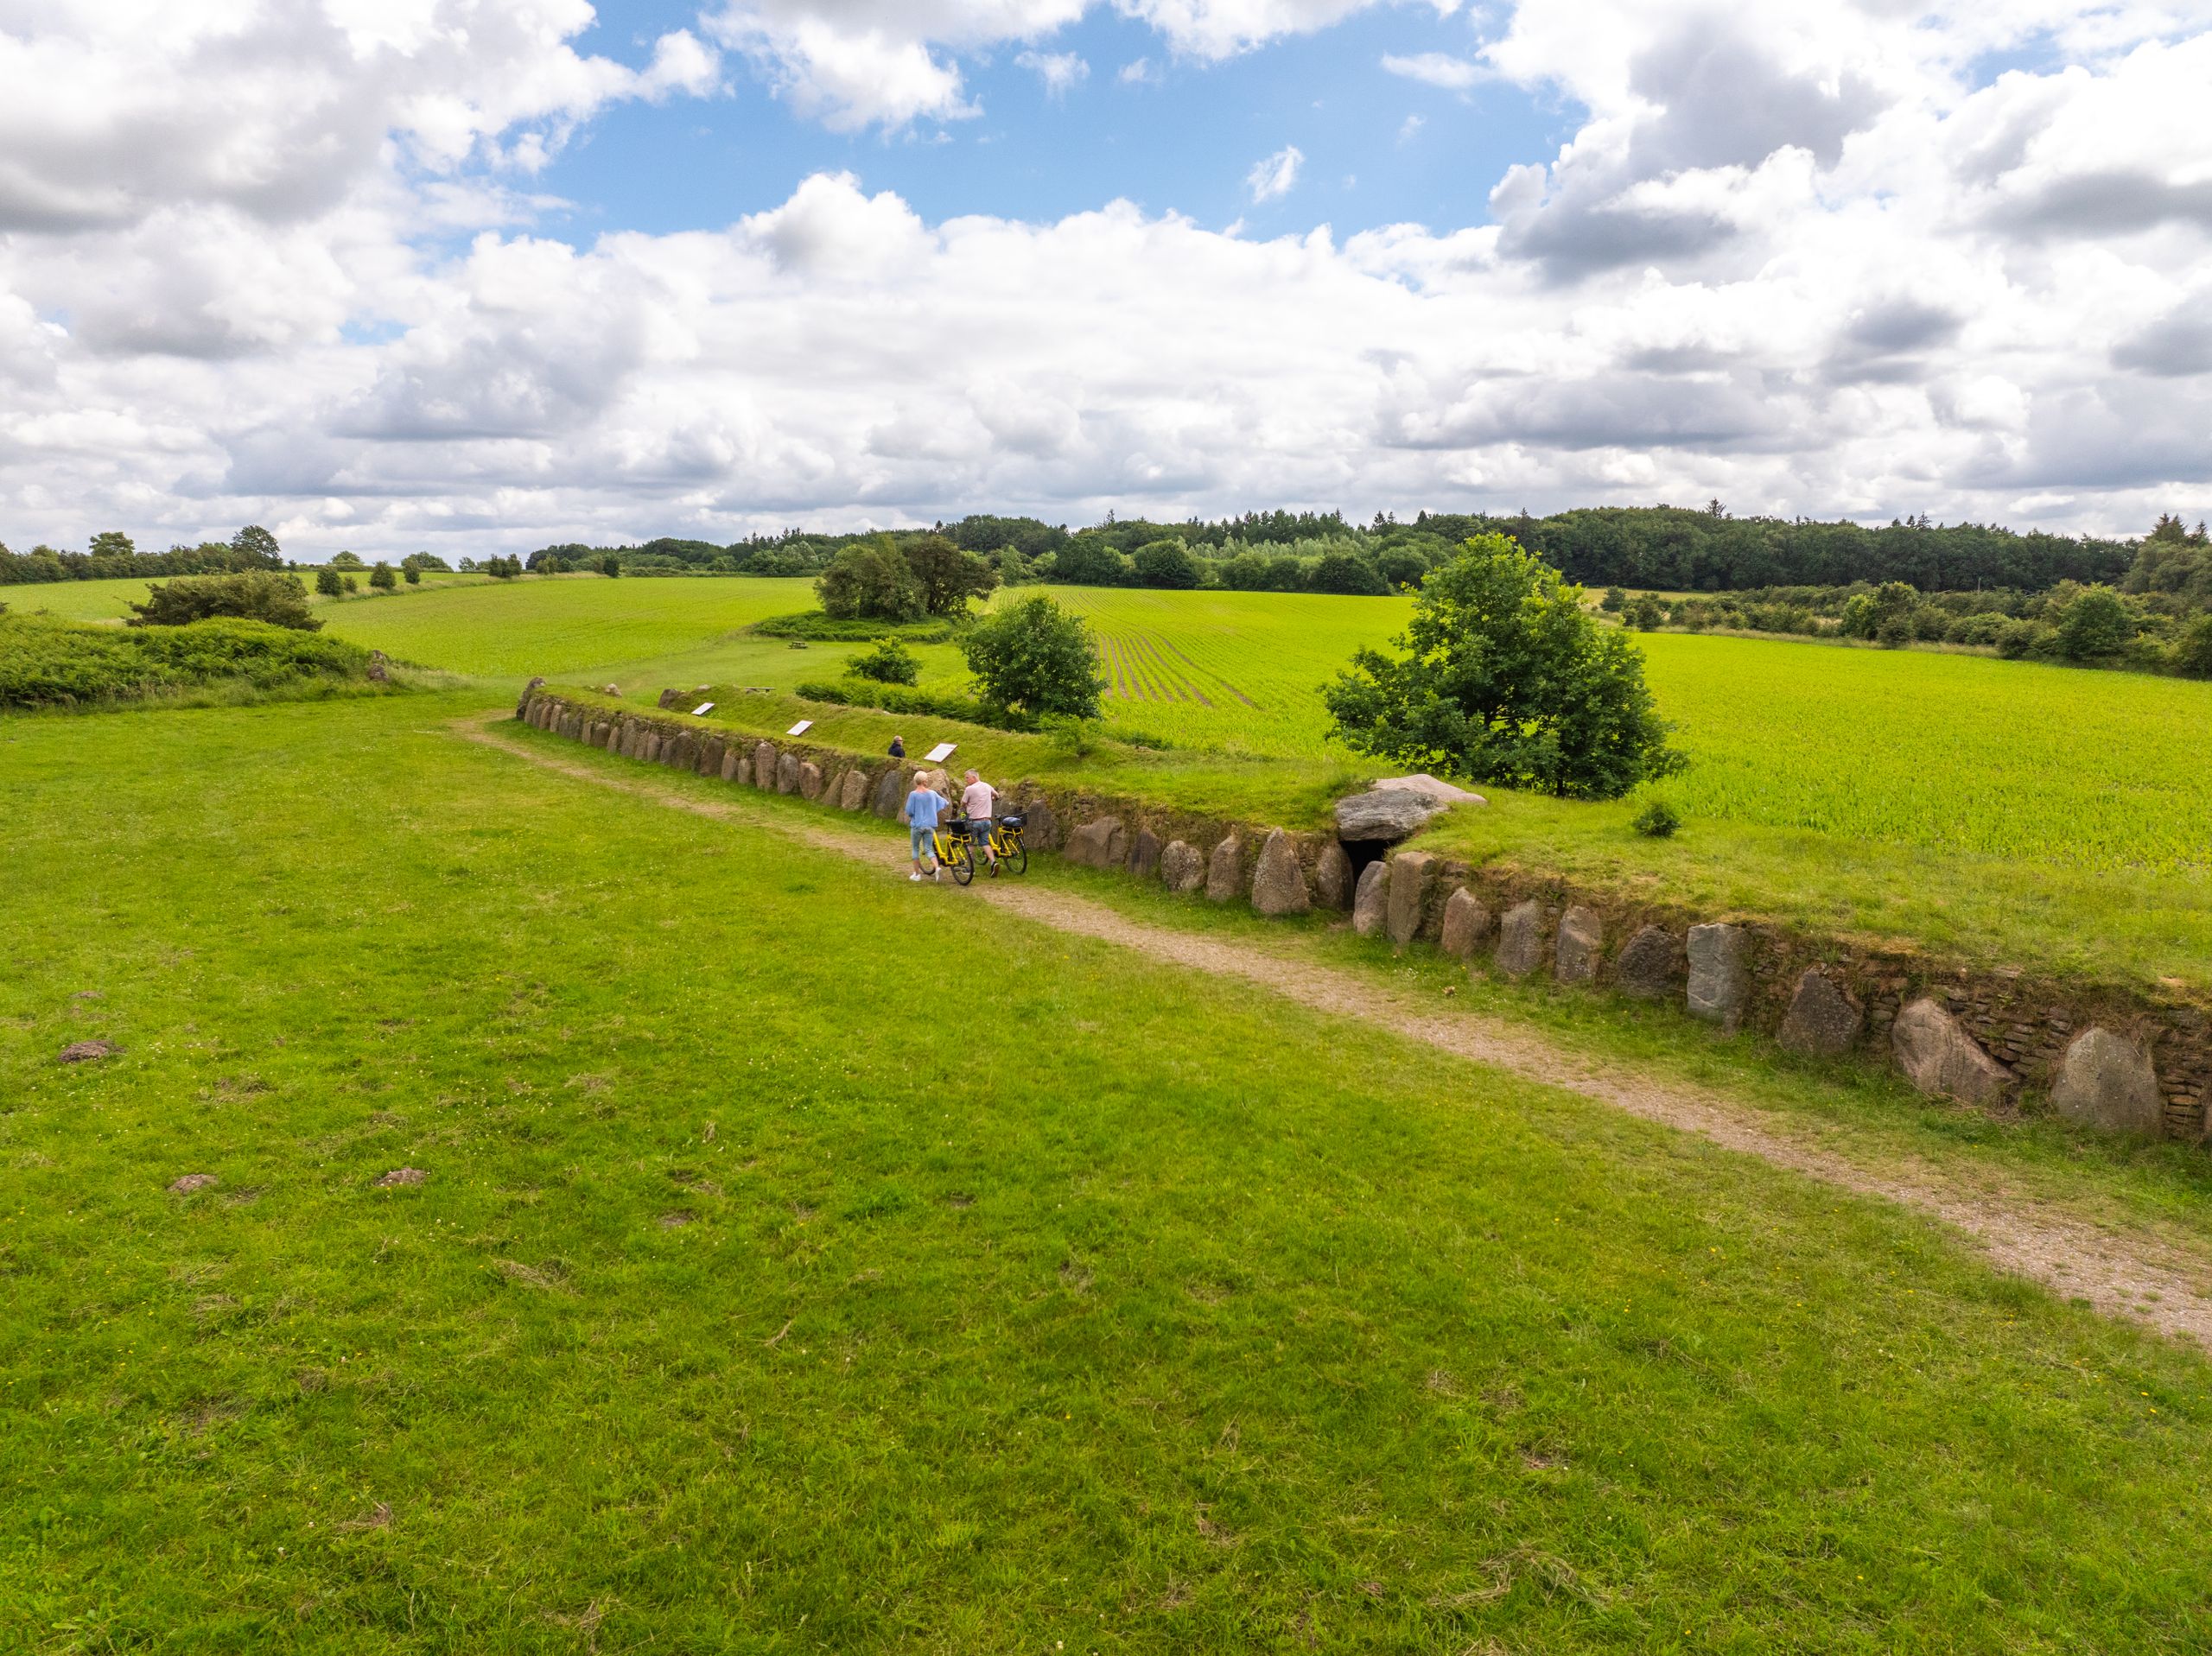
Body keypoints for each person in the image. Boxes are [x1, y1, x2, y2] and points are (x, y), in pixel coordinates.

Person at [904, 773, 950, 881]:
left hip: (917, 825)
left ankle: (917, 875)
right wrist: (932, 809)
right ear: (925, 781)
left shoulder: (913, 795)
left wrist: (914, 815)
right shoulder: (932, 794)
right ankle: (937, 867)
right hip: (930, 826)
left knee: (915, 849)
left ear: (916, 781)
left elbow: (909, 810)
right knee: (929, 849)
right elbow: (944, 802)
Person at [959, 768, 998, 870]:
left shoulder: (969, 789)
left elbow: (962, 803)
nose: (966, 780)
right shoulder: (987, 786)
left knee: (971, 844)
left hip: (975, 822)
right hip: (987, 822)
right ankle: (993, 862)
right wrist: (991, 799)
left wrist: (966, 804)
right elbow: (996, 795)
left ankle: (970, 868)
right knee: (985, 843)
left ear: (974, 777)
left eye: (967, 778)